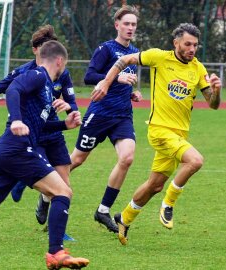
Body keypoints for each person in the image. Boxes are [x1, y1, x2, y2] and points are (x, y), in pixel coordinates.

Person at [0, 40, 89, 269]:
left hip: (4, 149)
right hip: (16, 148)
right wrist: (15, 119)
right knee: (63, 192)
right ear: (60, 61)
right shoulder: (38, 75)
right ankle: (56, 252)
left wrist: (65, 125)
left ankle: (56, 251)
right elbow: (13, 89)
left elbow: (38, 126)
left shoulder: (45, 86)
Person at [91, 23, 221, 245]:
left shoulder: (198, 68)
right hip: (159, 130)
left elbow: (213, 104)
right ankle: (168, 204)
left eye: (195, 45)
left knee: (154, 185)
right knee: (195, 161)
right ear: (176, 43)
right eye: (188, 44)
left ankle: (125, 217)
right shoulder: (158, 57)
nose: (192, 49)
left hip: (179, 135)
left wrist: (217, 90)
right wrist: (106, 81)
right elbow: (124, 61)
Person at [70, 5, 142, 233]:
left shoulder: (135, 52)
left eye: (133, 24)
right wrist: (118, 77)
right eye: (126, 23)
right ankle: (45, 193)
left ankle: (103, 210)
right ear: (117, 25)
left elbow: (123, 83)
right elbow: (89, 76)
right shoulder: (106, 49)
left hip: (122, 116)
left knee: (127, 158)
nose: (130, 28)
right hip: (99, 114)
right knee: (77, 160)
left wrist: (132, 93)